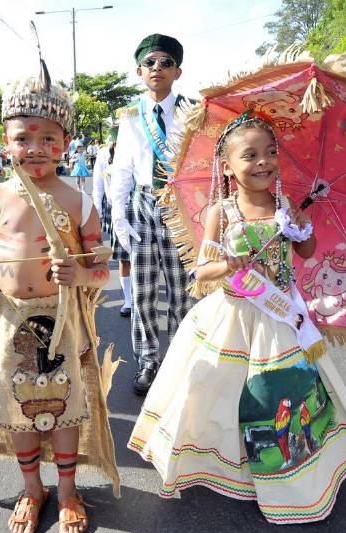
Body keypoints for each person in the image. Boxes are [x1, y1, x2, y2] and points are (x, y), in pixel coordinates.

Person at [127, 112, 346, 524]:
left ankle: (289, 473)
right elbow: (201, 272)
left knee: (280, 392)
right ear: (227, 166)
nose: (263, 162)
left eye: (270, 152)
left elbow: (306, 253)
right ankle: (226, 463)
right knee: (219, 393)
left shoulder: (285, 206)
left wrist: (303, 227)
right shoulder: (221, 212)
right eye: (250, 155)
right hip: (233, 314)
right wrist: (229, 263)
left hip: (281, 316)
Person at [0, 61, 120, 533]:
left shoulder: (78, 201)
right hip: (8, 323)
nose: (36, 149)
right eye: (24, 138)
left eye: (49, 139)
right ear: (5, 143)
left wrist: (79, 273)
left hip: (63, 322)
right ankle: (33, 488)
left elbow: (102, 270)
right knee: (17, 407)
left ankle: (68, 491)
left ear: (66, 145)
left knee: (65, 406)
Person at [108, 33, 195, 395]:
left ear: (178, 71)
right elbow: (123, 169)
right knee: (143, 293)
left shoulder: (194, 111)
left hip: (180, 208)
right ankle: (148, 362)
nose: (157, 69)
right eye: (150, 63)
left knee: (182, 294)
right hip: (143, 206)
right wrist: (118, 216)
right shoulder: (130, 116)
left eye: (166, 63)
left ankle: (180, 361)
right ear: (138, 71)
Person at [92, 130, 132, 316]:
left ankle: (142, 296)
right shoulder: (103, 155)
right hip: (115, 208)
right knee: (124, 257)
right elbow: (98, 186)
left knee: (142, 257)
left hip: (137, 206)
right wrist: (97, 215)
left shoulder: (136, 149)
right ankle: (129, 300)